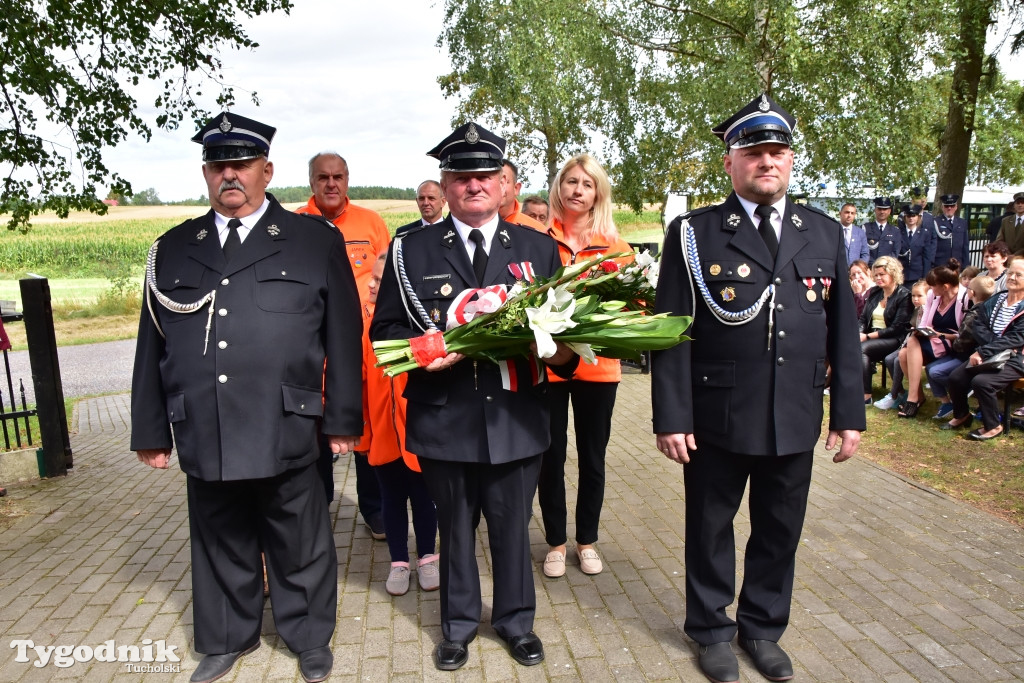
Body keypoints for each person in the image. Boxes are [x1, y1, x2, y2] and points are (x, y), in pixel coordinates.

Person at [130, 112, 363, 683]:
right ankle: (228, 638)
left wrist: (342, 420)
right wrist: (150, 430)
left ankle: (308, 637)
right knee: (220, 538)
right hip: (205, 424)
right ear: (206, 173)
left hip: (288, 421)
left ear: (267, 170)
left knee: (299, 539)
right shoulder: (175, 247)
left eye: (242, 164)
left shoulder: (313, 240)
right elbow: (150, 345)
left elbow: (343, 337)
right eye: (218, 165)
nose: (229, 174)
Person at [651, 93, 864, 683]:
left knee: (779, 528)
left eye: (777, 151)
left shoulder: (822, 232)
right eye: (753, 152)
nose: (767, 162)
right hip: (718, 412)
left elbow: (844, 331)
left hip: (795, 411)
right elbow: (670, 331)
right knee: (710, 526)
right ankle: (712, 630)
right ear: (730, 162)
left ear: (791, 161)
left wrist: (849, 414)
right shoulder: (694, 234)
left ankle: (764, 627)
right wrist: (671, 415)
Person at [370, 122, 580, 672]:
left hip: (517, 415)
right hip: (446, 417)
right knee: (455, 527)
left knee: (513, 525)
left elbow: (570, 344)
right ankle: (458, 627)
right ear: (445, 183)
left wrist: (555, 348)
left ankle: (516, 622)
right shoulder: (409, 250)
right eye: (462, 176)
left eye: (485, 175)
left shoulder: (537, 248)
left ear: (505, 183)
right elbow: (385, 332)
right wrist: (422, 353)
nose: (474, 185)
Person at [537, 154, 633, 580]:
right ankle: (556, 542)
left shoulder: (616, 246)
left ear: (599, 193)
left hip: (598, 368)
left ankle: (587, 541)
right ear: (560, 187)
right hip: (550, 366)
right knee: (550, 456)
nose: (577, 190)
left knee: (593, 458)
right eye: (571, 181)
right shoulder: (538, 240)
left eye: (587, 184)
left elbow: (634, 305)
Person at [296, 152, 388, 537]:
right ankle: (317, 510)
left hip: (362, 352)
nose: (331, 184)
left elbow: (390, 281)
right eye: (323, 177)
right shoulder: (295, 225)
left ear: (347, 179)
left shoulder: (371, 223)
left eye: (338, 176)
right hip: (313, 352)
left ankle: (375, 510)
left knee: (366, 435)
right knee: (315, 437)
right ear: (312, 182)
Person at [361, 252, 440, 596]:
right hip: (382, 433)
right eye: (374, 279)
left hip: (418, 433)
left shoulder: (415, 323)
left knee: (424, 498)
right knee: (390, 499)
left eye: (383, 280)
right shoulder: (361, 329)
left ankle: (427, 557)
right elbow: (359, 382)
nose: (375, 285)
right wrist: (363, 434)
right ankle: (398, 562)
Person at [943, 258, 1024, 439]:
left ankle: (993, 425)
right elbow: (978, 324)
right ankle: (962, 415)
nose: (1012, 277)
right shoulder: (997, 298)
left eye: (1018, 274)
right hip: (989, 353)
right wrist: (990, 347)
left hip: (1016, 358)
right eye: (1010, 273)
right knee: (955, 378)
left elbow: (1017, 338)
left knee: (982, 382)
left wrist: (984, 350)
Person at [896, 260, 969, 418]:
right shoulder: (933, 295)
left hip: (952, 341)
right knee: (904, 352)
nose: (930, 288)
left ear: (945, 286)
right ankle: (916, 397)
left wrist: (939, 335)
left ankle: (914, 399)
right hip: (932, 338)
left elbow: (964, 335)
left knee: (908, 347)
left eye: (932, 285)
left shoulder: (964, 298)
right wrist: (922, 331)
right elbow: (924, 322)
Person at [859, 256, 915, 404]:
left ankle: (866, 395)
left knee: (861, 349)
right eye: (876, 275)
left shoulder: (904, 295)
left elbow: (897, 328)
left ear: (893, 273)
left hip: (894, 338)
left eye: (882, 274)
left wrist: (868, 337)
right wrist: (859, 333)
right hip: (872, 336)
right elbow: (864, 318)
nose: (878, 278)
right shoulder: (875, 292)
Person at [873, 280, 929, 411]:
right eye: (913, 296)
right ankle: (900, 392)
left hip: (920, 346)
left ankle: (894, 395)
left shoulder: (927, 310)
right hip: (908, 343)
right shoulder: (915, 309)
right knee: (889, 359)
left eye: (919, 296)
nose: (915, 299)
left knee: (898, 360)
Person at [500, 159, 546, 231]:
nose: (498, 187)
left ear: (516, 188)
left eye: (503, 182)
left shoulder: (538, 231)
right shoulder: (477, 225)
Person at [898, 203, 936, 282]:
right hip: (901, 274)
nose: (911, 218)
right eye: (908, 216)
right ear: (905, 217)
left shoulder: (924, 234)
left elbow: (926, 257)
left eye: (913, 216)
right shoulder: (898, 233)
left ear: (918, 217)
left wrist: (925, 277)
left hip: (918, 274)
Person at [933, 194, 970, 270]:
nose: (949, 208)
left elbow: (965, 246)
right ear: (942, 207)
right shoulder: (935, 222)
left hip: (957, 263)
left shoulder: (962, 222)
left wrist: (966, 265)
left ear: (956, 207)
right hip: (941, 264)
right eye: (946, 206)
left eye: (952, 206)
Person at [864, 196, 901, 264]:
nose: (882, 212)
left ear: (889, 211)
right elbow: (863, 251)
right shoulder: (865, 228)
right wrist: (875, 264)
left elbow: (895, 252)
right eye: (879, 209)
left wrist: (883, 264)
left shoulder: (895, 231)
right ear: (875, 210)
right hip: (869, 268)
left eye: (885, 209)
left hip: (887, 268)